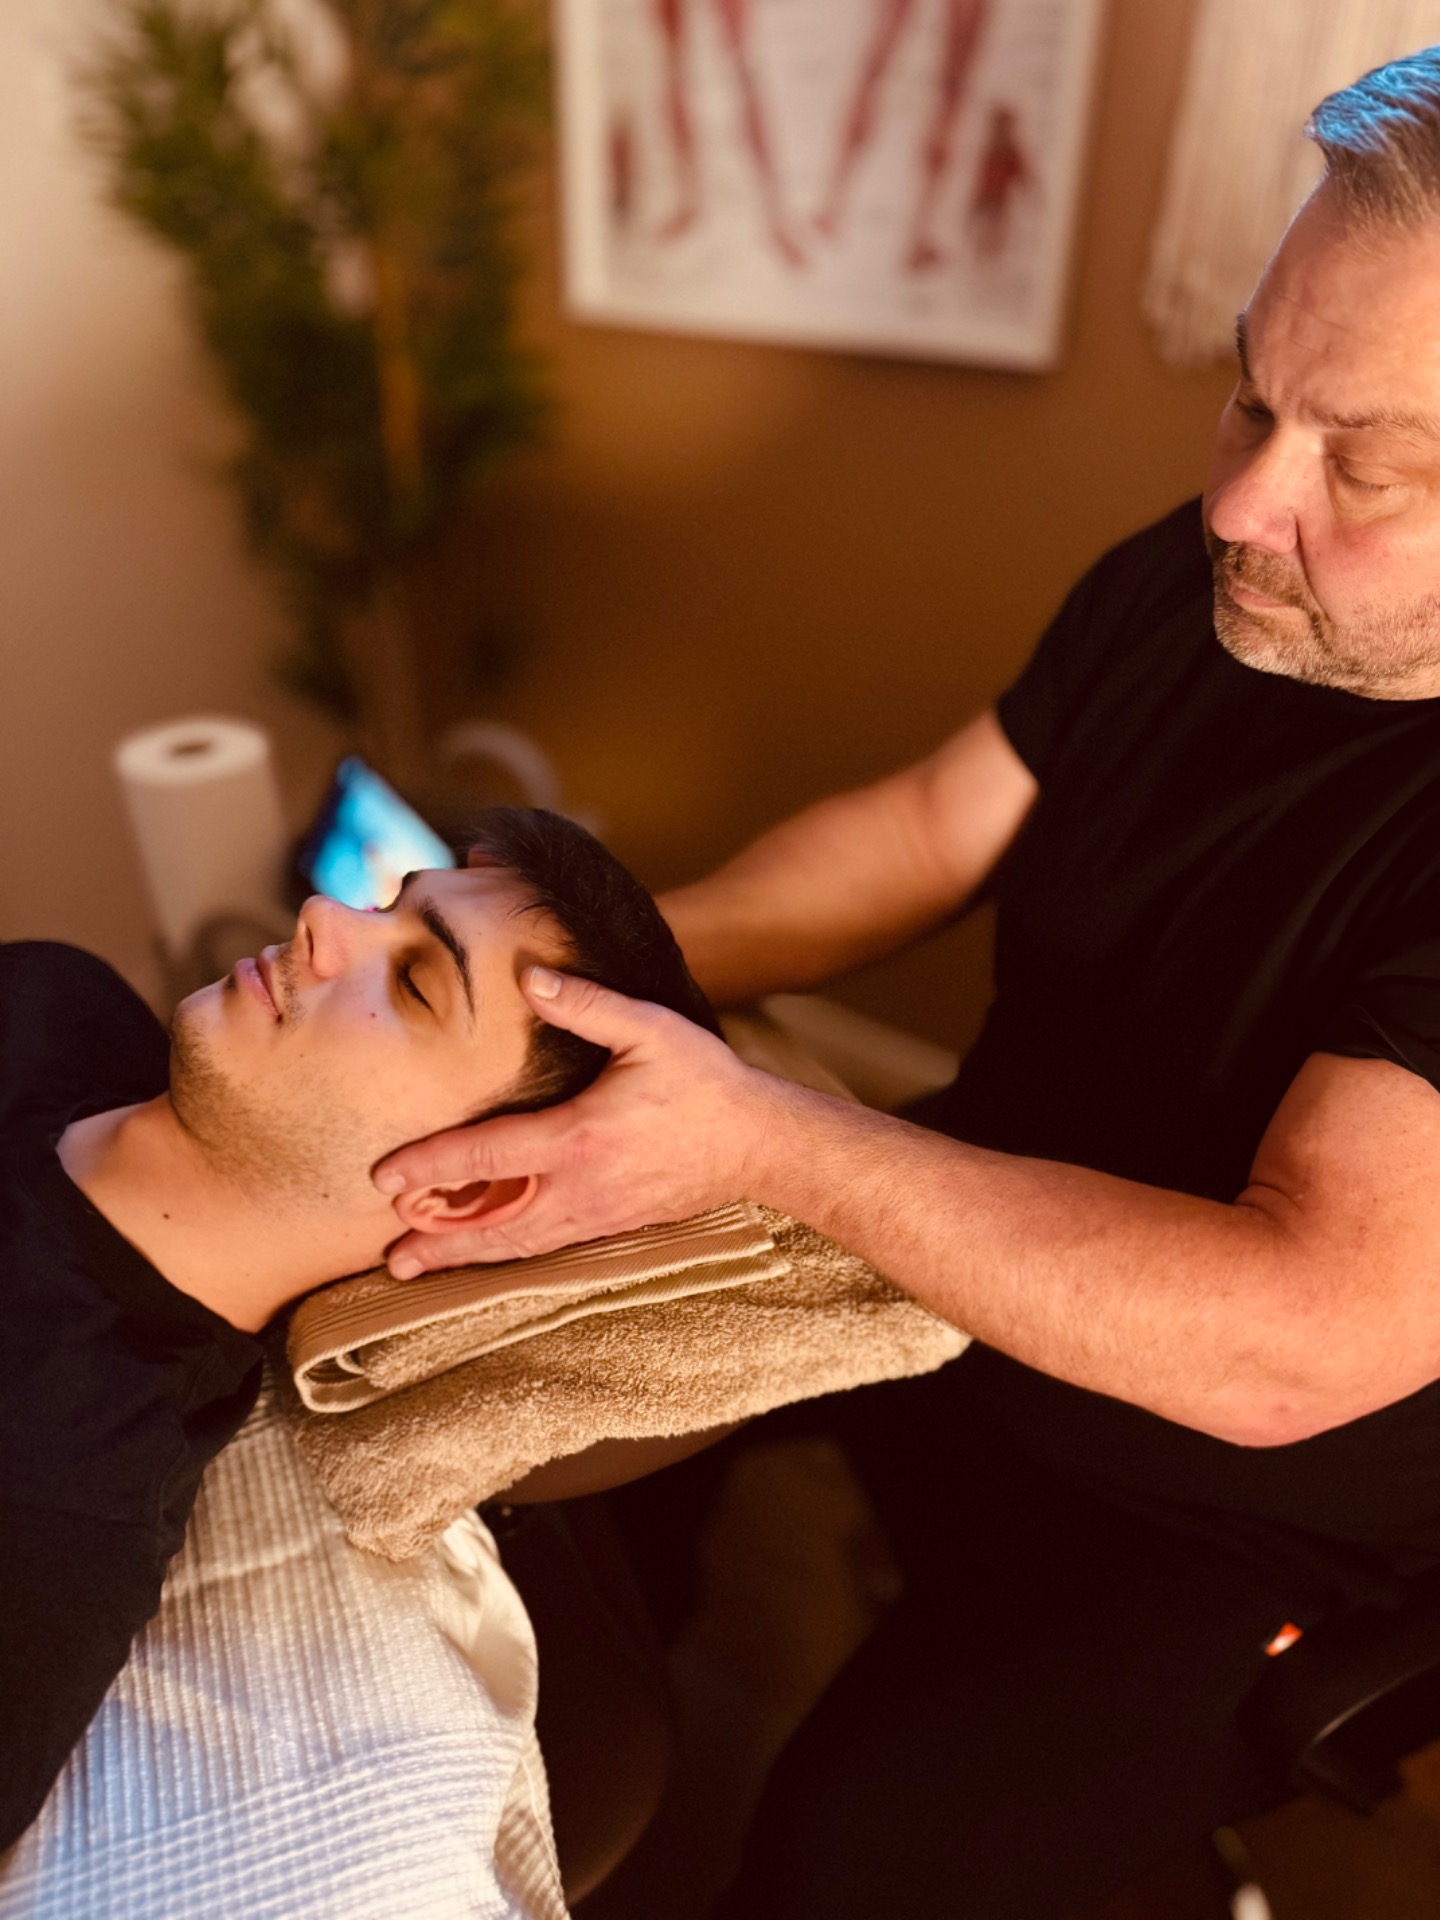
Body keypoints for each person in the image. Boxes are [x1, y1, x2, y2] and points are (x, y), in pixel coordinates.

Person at [373, 49, 1440, 1918]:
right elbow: (932, 829)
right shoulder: (1211, 582)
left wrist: (766, 1142)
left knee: (847, 1862)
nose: (1239, 502)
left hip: (1238, 1503)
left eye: (1362, 463)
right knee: (543, 1444)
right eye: (1248, 396)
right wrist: (576, 971)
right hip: (956, 1244)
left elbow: (1294, 1338)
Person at [0, 805, 715, 1854]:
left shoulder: (51, 1489)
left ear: (466, 1191)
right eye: (388, 907)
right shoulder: (64, 1000)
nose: (322, 918)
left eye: (417, 982)